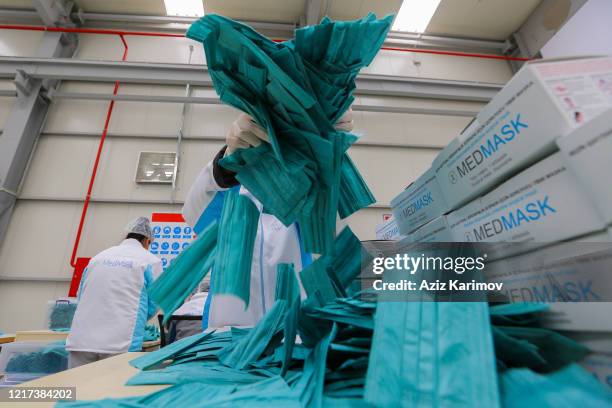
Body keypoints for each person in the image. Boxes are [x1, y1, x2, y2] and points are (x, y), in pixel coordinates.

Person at [182, 111, 353, 330]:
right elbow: (193, 214)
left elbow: (329, 236)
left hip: (293, 333)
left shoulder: (302, 191)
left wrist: (327, 157)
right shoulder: (230, 189)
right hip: (226, 335)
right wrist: (225, 163)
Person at [65, 217, 162, 368]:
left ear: (126, 235)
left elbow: (81, 295)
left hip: (81, 340)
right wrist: (140, 319)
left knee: (80, 388)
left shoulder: (97, 258)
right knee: (114, 388)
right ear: (147, 240)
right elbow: (156, 301)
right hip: (121, 341)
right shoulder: (150, 260)